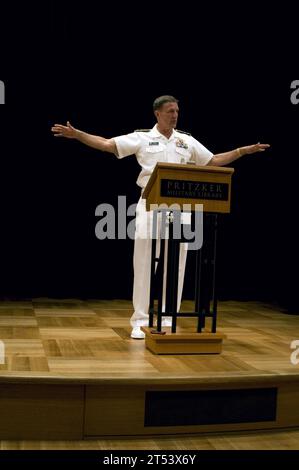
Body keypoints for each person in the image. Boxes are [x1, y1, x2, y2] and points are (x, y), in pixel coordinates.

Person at [51, 95, 270, 339]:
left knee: (176, 265)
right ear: (157, 113)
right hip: (150, 205)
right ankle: (141, 320)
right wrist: (78, 134)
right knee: (144, 264)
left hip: (182, 208)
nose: (175, 115)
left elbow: (213, 160)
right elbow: (107, 144)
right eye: (170, 111)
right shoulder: (142, 137)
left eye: (177, 111)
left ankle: (167, 317)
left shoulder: (185, 140)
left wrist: (243, 151)